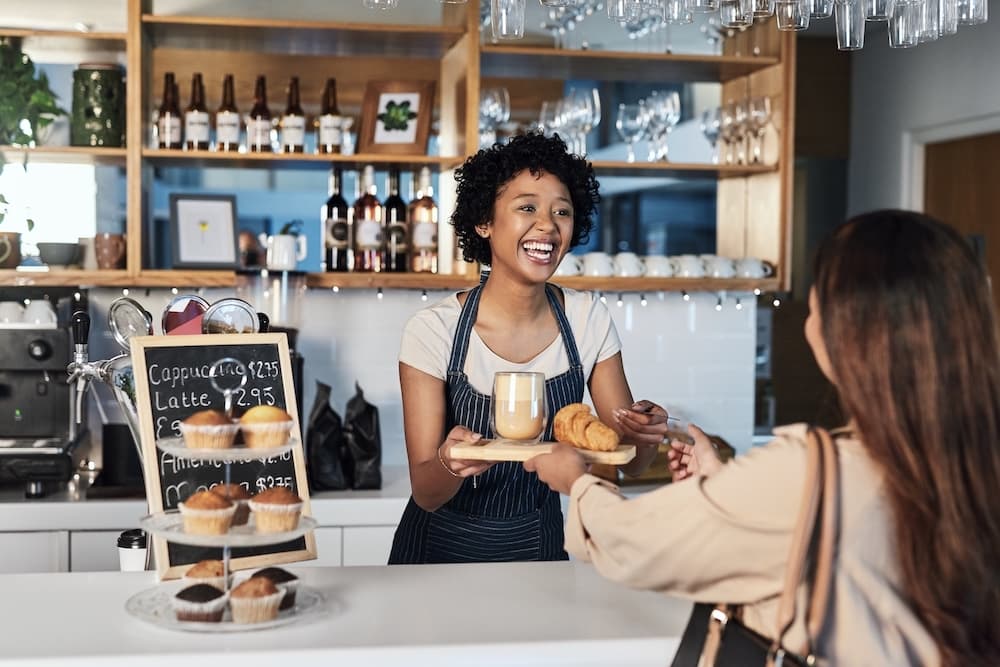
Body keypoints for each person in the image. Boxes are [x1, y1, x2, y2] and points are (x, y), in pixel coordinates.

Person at [526, 210, 1000, 666]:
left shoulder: (808, 470)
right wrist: (727, 483)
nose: (809, 319)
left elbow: (636, 543)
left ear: (849, 335)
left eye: (817, 306)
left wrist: (578, 484)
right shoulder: (974, 459)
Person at [388, 132, 669, 564]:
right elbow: (426, 492)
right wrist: (451, 463)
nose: (548, 225)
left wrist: (644, 433)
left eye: (562, 211)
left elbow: (627, 462)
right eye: (526, 208)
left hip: (539, 550)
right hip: (436, 558)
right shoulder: (434, 331)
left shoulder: (586, 319)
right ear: (484, 221)